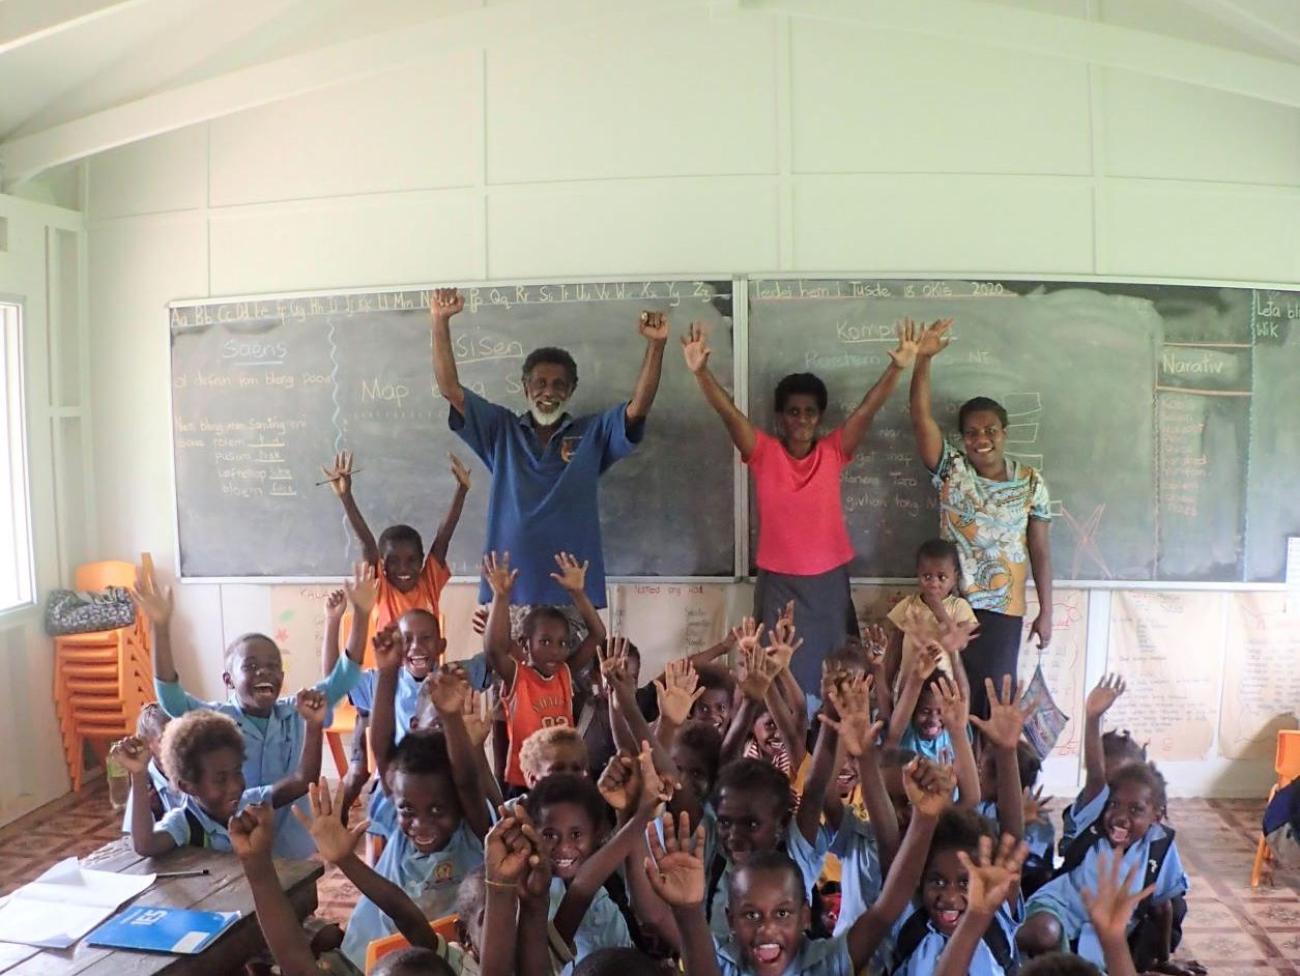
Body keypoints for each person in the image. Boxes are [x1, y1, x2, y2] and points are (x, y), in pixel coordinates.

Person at [681, 320, 921, 693]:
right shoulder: (763, 453)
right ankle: (782, 739)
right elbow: (728, 413)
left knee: (837, 662)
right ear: (780, 417)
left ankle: (828, 734)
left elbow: (868, 409)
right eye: (793, 411)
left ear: (820, 416)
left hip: (828, 581)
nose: (802, 419)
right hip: (779, 580)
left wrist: (898, 366)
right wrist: (701, 372)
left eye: (810, 411)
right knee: (777, 664)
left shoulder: (833, 451)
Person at [431, 286, 667, 611]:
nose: (548, 392)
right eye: (540, 383)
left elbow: (638, 408)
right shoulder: (501, 430)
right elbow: (450, 390)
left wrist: (656, 345)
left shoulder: (592, 433)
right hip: (508, 592)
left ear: (571, 390)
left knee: (572, 665)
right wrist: (440, 322)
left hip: (572, 593)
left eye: (559, 384)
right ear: (525, 386)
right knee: (507, 665)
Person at [638, 756, 951, 976]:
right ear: (729, 920)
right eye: (750, 914)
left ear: (804, 916)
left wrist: (925, 819)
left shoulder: (824, 965)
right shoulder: (724, 963)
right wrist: (688, 910)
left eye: (783, 913)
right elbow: (656, 915)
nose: (767, 928)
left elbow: (887, 908)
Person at [137, 560, 368, 858]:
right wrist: (160, 627)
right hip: (236, 844)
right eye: (251, 666)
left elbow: (344, 677)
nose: (264, 672)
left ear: (282, 678)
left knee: (294, 896)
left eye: (273, 666)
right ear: (228, 680)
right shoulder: (217, 723)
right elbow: (171, 698)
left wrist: (361, 614)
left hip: (290, 844)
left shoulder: (298, 711)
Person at [908, 317, 1053, 719]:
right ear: (961, 438)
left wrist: (1047, 611)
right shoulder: (952, 472)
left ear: (1005, 433)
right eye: (971, 432)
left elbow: (1040, 550)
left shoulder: (1030, 482)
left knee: (993, 705)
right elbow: (920, 419)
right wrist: (923, 360)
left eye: (990, 429)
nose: (981, 438)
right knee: (946, 700)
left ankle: (988, 778)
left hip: (1004, 611)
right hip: (952, 606)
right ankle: (953, 778)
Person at [1017, 764, 1192, 974]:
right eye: (1113, 804)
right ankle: (1000, 948)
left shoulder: (1160, 846)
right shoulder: (1092, 823)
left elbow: (1162, 907)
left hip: (1103, 931)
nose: (1119, 816)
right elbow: (1095, 773)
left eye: (1135, 809)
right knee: (1044, 932)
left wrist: (1164, 959)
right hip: (1061, 908)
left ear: (1156, 816)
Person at [112, 698, 323, 855]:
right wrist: (139, 775)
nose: (234, 786)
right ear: (187, 787)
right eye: (220, 779)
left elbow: (303, 780)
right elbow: (145, 845)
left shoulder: (250, 802)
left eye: (237, 772)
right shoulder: (186, 823)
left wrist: (314, 724)